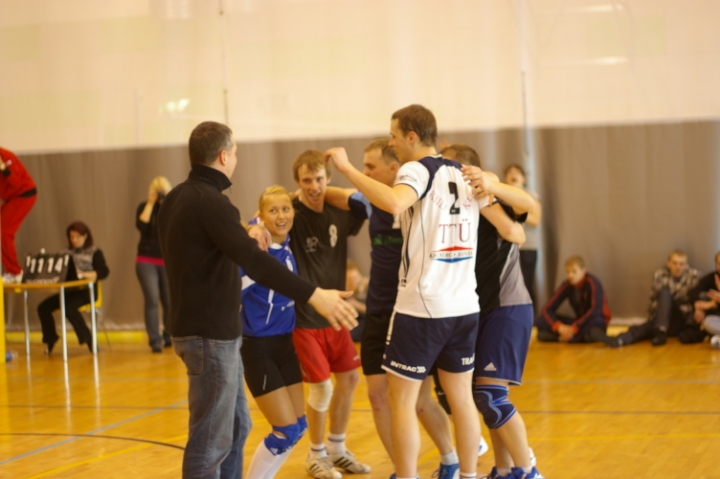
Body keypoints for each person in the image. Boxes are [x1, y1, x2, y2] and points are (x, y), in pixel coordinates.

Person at [156, 121, 358, 479]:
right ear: (223, 156)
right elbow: (255, 262)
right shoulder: (212, 202)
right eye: (234, 153)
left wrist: (250, 228)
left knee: (237, 427)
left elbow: (217, 247)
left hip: (210, 332)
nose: (236, 158)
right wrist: (314, 295)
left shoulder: (177, 198)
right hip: (210, 335)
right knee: (211, 439)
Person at [327, 104, 486, 479]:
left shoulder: (415, 170)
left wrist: (347, 168)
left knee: (401, 402)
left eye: (394, 136)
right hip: (465, 305)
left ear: (412, 137)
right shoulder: (463, 172)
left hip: (423, 307)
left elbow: (395, 200)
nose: (392, 143)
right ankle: (467, 474)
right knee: (462, 400)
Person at [444, 145, 543, 479]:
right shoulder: (452, 208)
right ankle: (503, 470)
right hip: (477, 310)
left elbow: (527, 208)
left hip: (507, 306)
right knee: (482, 398)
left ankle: (528, 471)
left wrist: (491, 184)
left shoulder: (490, 198)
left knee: (490, 396)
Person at [285, 149, 369, 479]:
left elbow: (364, 201)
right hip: (305, 317)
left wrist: (332, 192)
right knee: (322, 388)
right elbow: (261, 217)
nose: (314, 187)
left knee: (349, 378)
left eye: (319, 179)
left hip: (336, 314)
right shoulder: (291, 214)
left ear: (328, 178)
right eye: (306, 181)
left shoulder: (338, 212)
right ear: (297, 183)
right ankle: (316, 454)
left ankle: (336, 448)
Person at [240, 186, 308, 478]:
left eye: (286, 209)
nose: (281, 216)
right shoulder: (257, 252)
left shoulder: (284, 241)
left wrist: (255, 224)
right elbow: (231, 291)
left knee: (298, 427)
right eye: (273, 211)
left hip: (285, 345)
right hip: (258, 348)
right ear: (261, 216)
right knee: (285, 430)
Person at [37, 221, 109, 354]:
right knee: (43, 307)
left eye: (78, 237)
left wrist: (84, 274)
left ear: (85, 236)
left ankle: (89, 340)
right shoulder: (65, 254)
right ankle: (51, 339)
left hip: (87, 291)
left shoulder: (95, 252)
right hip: (68, 291)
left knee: (69, 308)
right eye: (72, 237)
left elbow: (103, 272)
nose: (74, 240)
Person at [603, 250, 699, 347]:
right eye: (675, 263)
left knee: (667, 301)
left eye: (681, 264)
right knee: (645, 327)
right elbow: (660, 301)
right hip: (662, 318)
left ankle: (661, 332)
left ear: (686, 265)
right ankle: (620, 340)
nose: (678, 267)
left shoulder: (693, 276)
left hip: (681, 318)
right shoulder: (660, 274)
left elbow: (693, 301)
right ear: (668, 263)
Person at [535, 255, 612, 343]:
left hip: (591, 322)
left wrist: (576, 327)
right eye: (568, 272)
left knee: (594, 330)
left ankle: (568, 338)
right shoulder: (567, 285)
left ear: (583, 271)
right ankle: (570, 337)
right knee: (541, 321)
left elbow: (595, 310)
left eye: (574, 271)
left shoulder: (592, 283)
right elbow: (546, 309)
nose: (570, 275)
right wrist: (560, 327)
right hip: (577, 323)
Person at [135, 176, 173, 353]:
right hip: (146, 259)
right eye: (157, 192)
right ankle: (154, 340)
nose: (159, 195)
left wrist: (167, 203)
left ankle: (168, 335)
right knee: (152, 298)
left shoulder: (170, 208)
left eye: (162, 192)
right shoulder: (144, 207)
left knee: (169, 300)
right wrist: (150, 204)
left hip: (166, 259)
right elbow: (141, 225)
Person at [504, 164, 541, 304]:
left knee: (526, 285)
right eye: (510, 172)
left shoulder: (531, 195)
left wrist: (516, 210)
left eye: (517, 172)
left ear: (524, 179)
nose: (513, 174)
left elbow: (536, 220)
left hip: (527, 247)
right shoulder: (501, 195)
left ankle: (531, 316)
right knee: (509, 286)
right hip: (507, 246)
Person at [0, 147, 38, 284]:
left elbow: (16, 184)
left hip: (23, 195)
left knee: (4, 232)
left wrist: (3, 168)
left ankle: (15, 272)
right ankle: (11, 271)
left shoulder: (6, 156)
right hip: (10, 198)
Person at [688, 251, 720, 347]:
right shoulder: (712, 278)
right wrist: (700, 306)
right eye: (719, 264)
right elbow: (693, 293)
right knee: (708, 322)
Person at [345, 259, 368, 342]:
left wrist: (357, 305)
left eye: (356, 278)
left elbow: (376, 311)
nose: (354, 282)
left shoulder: (368, 286)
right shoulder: (340, 290)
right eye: (350, 280)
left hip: (364, 320)